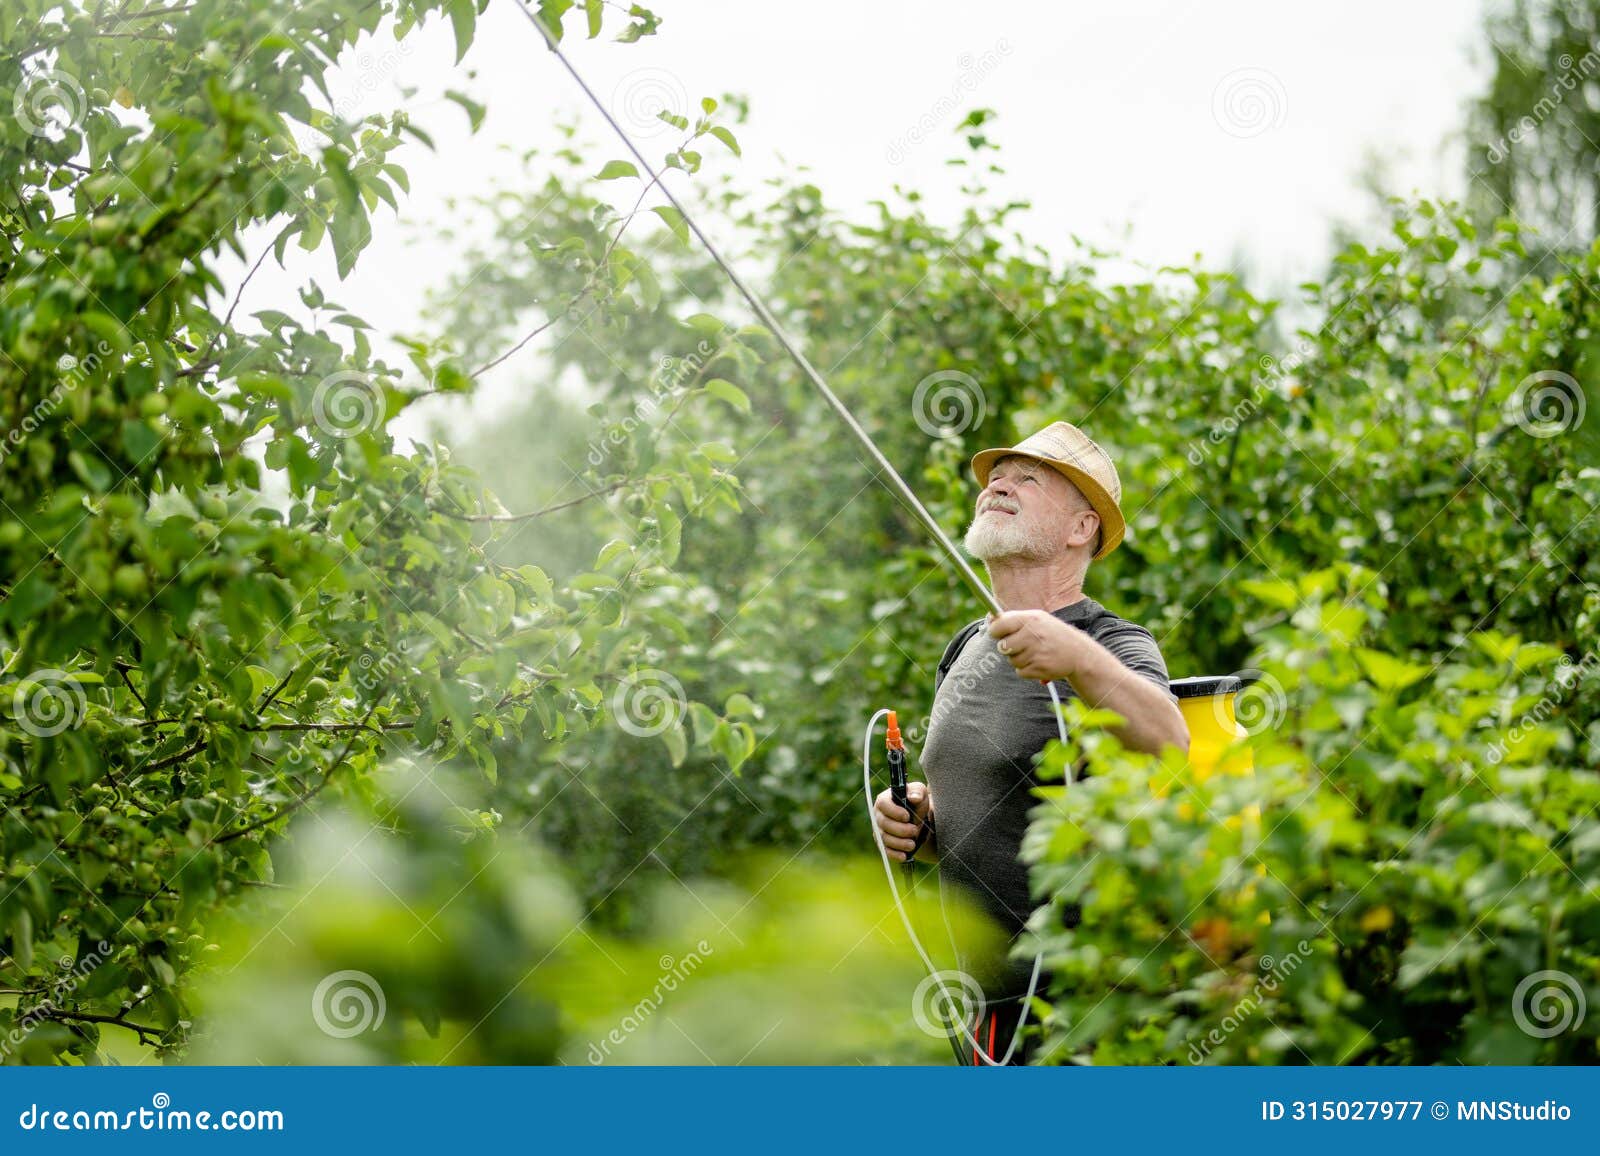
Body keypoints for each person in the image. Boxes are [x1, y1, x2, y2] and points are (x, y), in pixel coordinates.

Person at [873, 420, 1189, 1064]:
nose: (999, 485)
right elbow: (992, 815)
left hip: (1080, 1004)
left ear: (1081, 529)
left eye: (1028, 479)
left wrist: (1077, 658)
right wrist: (920, 822)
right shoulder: (965, 647)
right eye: (996, 477)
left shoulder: (1110, 643)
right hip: (980, 1007)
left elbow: (1170, 741)